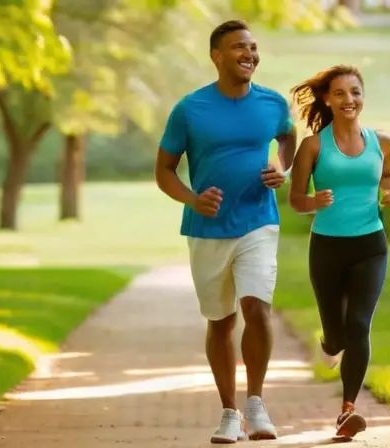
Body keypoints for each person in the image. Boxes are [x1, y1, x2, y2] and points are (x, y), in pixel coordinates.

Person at [153, 19, 297, 444]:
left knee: (257, 307)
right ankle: (229, 411)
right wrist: (193, 198)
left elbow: (287, 139)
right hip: (207, 229)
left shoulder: (272, 103)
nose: (249, 54)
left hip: (259, 219)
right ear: (216, 56)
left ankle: (255, 403)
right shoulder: (190, 109)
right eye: (238, 47)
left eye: (252, 47)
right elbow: (163, 170)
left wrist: (281, 167)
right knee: (221, 321)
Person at [287, 65, 390, 440]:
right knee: (336, 335)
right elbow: (295, 200)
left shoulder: (382, 142)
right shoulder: (314, 146)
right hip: (328, 248)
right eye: (340, 93)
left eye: (355, 92)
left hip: (371, 245)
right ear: (326, 99)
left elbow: (388, 174)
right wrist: (313, 200)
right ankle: (330, 343)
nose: (349, 100)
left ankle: (347, 410)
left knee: (359, 325)